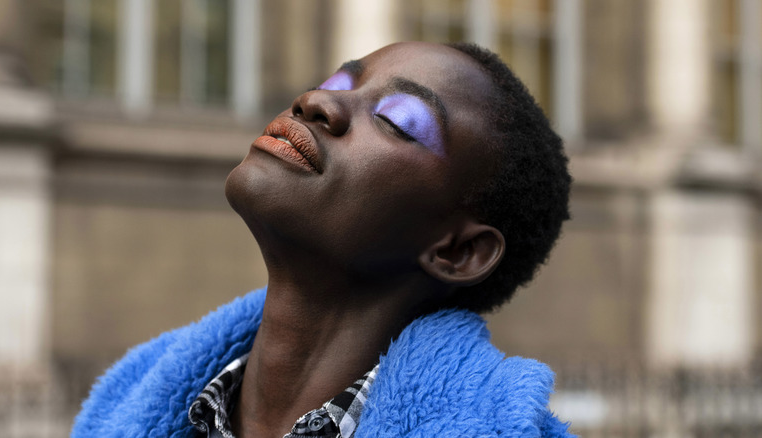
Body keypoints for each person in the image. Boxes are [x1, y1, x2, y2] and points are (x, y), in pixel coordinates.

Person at [72, 41, 573, 438]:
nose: (316, 102)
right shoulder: (117, 412)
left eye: (396, 120)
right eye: (336, 81)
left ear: (457, 251)